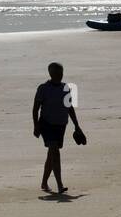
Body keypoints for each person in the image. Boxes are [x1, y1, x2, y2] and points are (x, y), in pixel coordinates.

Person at [33, 62, 84, 194]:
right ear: (51, 74)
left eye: (61, 73)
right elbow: (35, 108)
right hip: (46, 124)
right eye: (57, 73)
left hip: (61, 125)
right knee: (55, 151)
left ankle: (44, 182)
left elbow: (70, 108)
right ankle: (60, 184)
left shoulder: (66, 88)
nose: (59, 75)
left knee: (52, 153)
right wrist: (36, 125)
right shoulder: (43, 88)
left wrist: (77, 126)